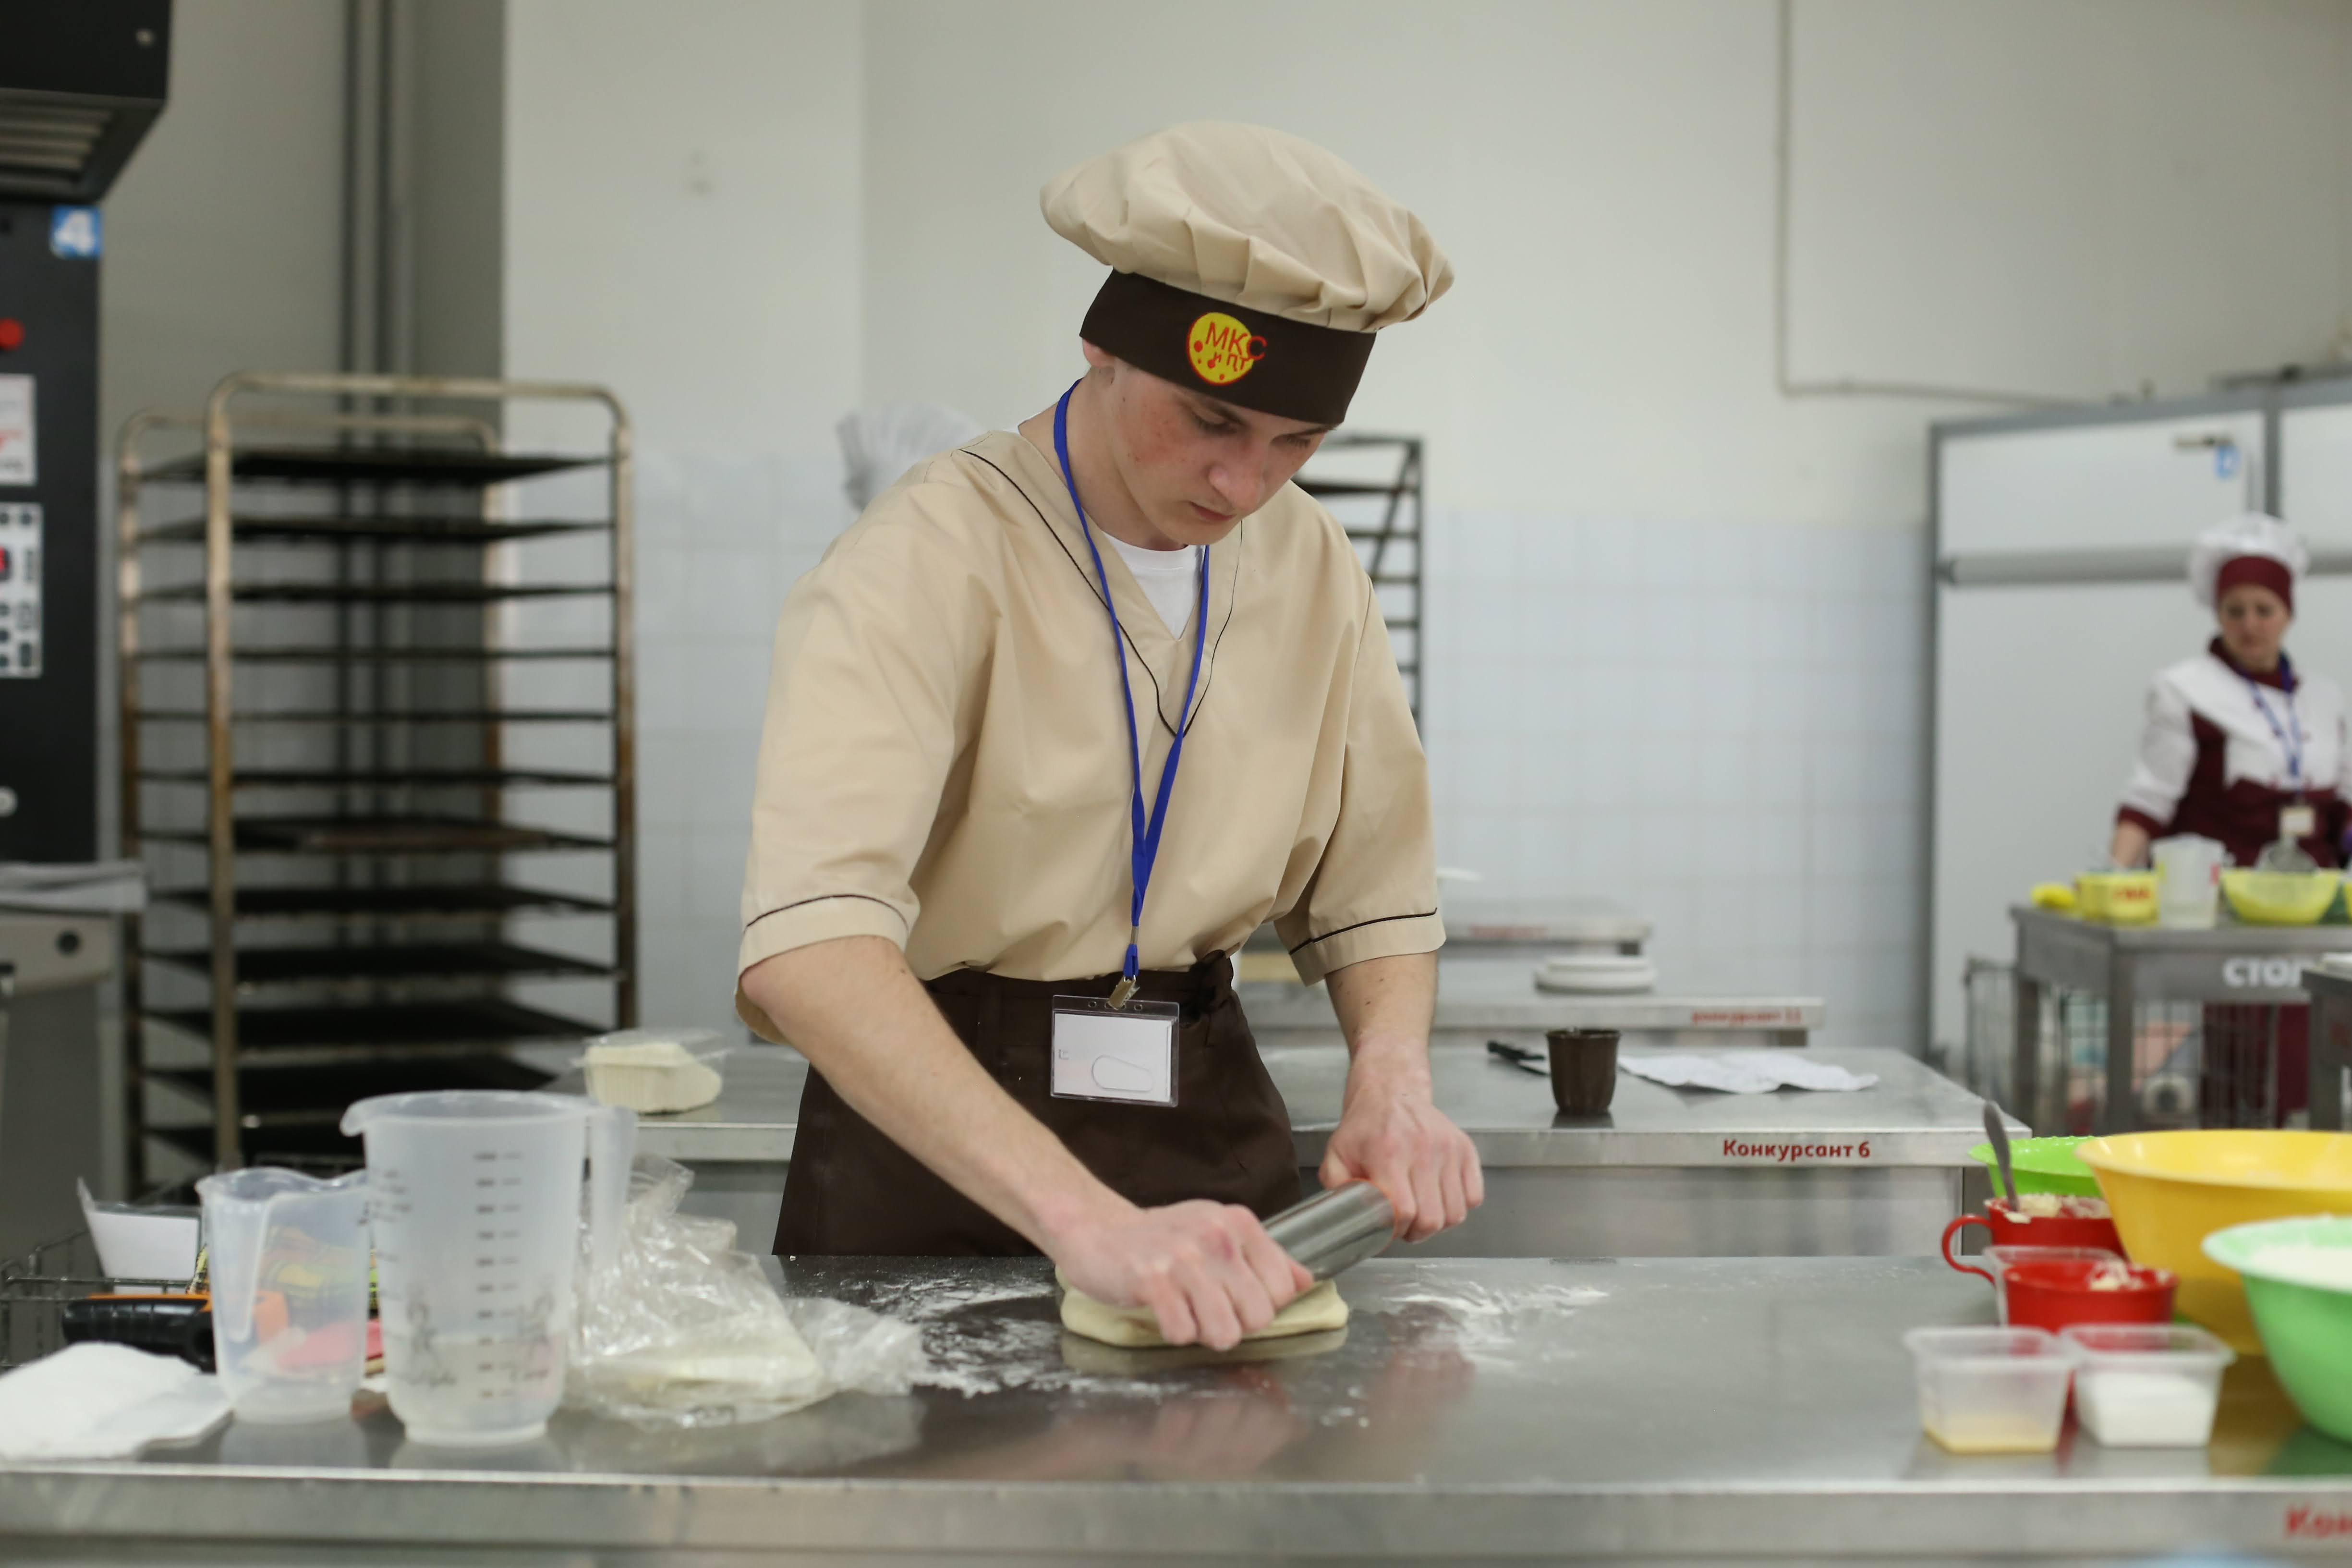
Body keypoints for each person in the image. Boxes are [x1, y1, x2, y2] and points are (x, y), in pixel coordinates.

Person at [734, 123, 1482, 1350]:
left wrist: (1391, 1079)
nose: (1243, 486)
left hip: (1204, 1120)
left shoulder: (1309, 563)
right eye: (1210, 421)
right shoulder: (922, 559)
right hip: (938, 1152)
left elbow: (1375, 889)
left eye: (1294, 444)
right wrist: (1084, 1220)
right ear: (1103, 346)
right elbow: (808, 947)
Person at [2110, 512, 2345, 1123]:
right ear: (2216, 614)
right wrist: (2112, 877)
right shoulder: (2185, 690)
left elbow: (2342, 811)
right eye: (2234, 610)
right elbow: (2150, 799)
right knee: (2242, 1063)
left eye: (2263, 609)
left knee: (2313, 1049)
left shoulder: (2322, 700)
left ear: (2287, 613)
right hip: (2224, 918)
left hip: (2313, 918)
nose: (2249, 624)